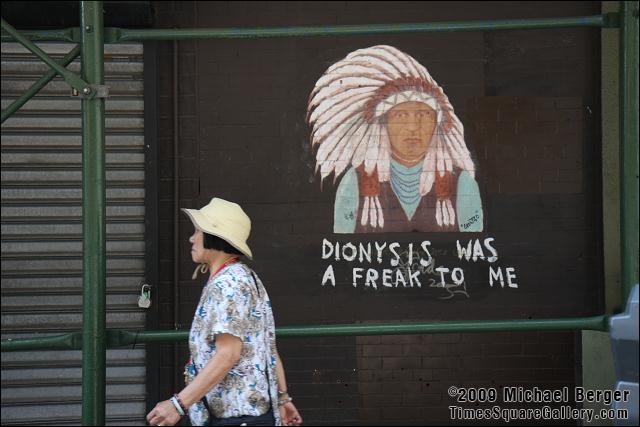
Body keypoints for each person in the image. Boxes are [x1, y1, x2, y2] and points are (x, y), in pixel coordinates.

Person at [146, 198, 303, 426]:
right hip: (250, 417)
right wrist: (282, 398)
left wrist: (177, 405)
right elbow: (267, 347)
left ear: (213, 235)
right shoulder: (246, 277)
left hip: (235, 417)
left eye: (198, 231)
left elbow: (227, 354)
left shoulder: (228, 285)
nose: (191, 238)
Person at [306, 45, 484, 233]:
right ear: (383, 124)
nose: (413, 127)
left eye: (424, 115)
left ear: (437, 124)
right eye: (400, 116)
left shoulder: (461, 184)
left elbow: (474, 251)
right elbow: (342, 252)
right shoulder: (354, 183)